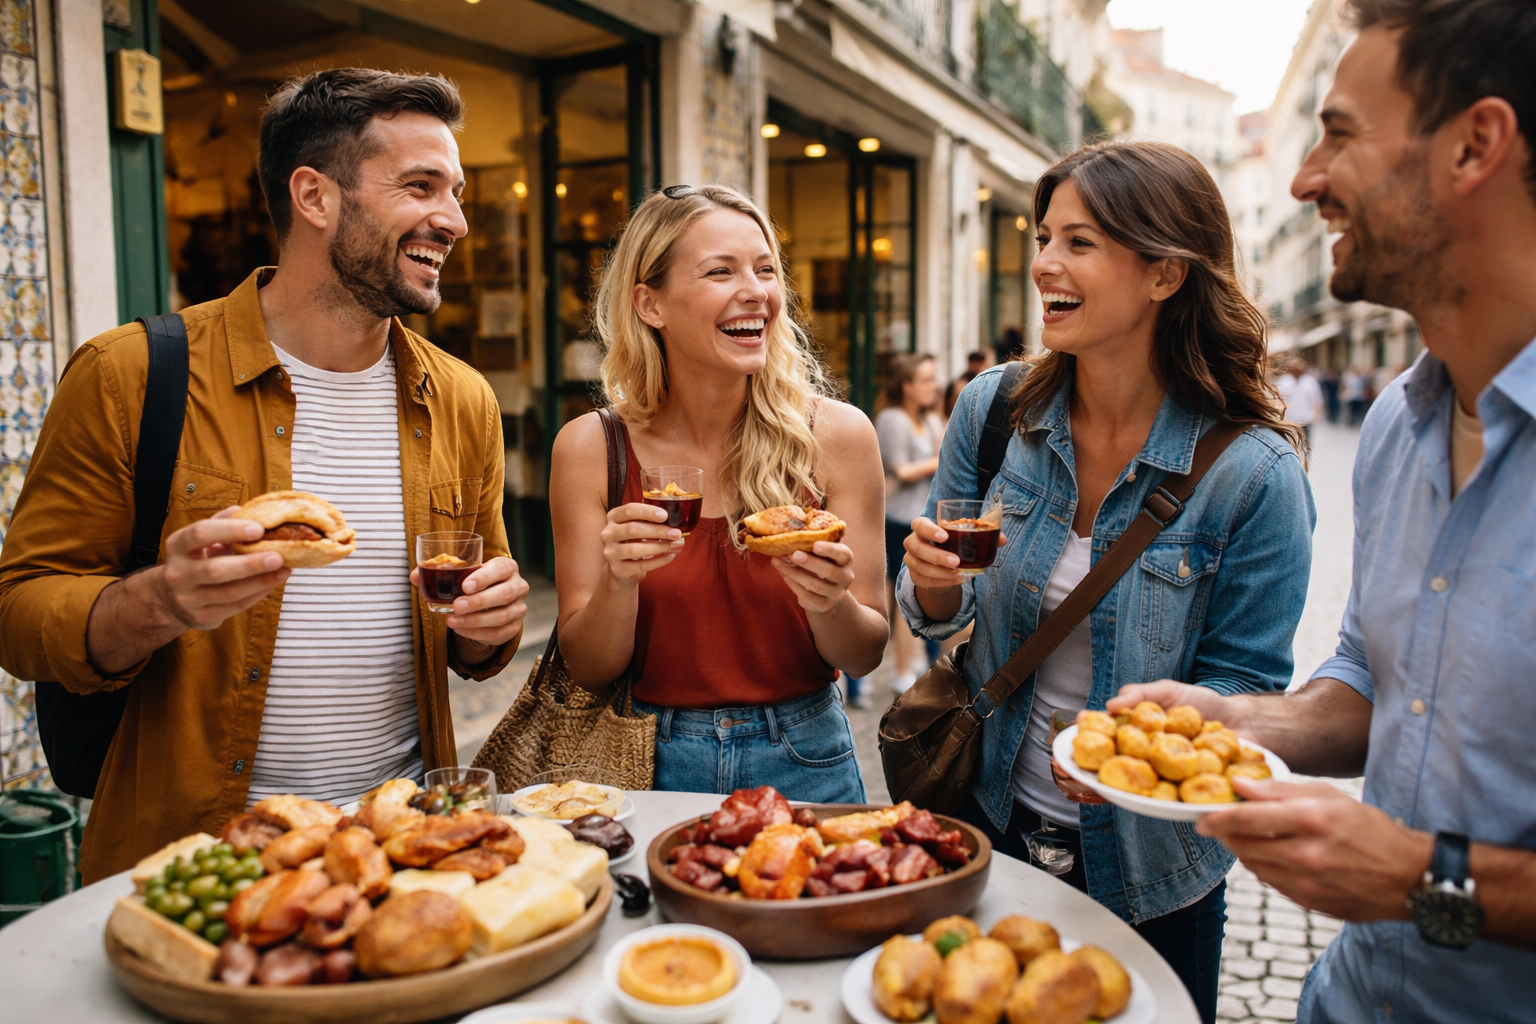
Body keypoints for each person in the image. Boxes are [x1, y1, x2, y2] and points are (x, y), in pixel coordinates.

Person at [1112, 3, 1536, 1020]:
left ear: (1474, 145)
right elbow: (1376, 681)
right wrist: (1241, 720)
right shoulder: (1399, 422)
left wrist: (1417, 877)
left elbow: (1417, 868)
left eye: (1339, 132)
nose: (1303, 177)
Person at [0, 69, 529, 883]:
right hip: (197, 860)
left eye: (455, 192)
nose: (455, 220)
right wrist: (157, 601)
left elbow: (473, 633)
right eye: (421, 186)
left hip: (401, 850)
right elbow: (19, 611)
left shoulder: (461, 399)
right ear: (314, 196)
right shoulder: (130, 372)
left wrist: (488, 632)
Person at [896, 140, 1314, 1023]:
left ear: (1164, 273)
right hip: (991, 822)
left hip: (1151, 869)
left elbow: (1245, 683)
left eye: (1079, 243)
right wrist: (931, 582)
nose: (1044, 261)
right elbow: (942, 621)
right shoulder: (997, 410)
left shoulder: (1253, 473)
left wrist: (1132, 758)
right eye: (1044, 237)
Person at [548, 183, 888, 803]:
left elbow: (865, 653)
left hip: (806, 756)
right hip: (648, 762)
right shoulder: (589, 448)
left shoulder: (839, 435)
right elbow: (588, 669)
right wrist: (619, 581)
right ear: (650, 304)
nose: (756, 291)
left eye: (765, 269)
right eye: (720, 271)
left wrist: (829, 602)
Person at [875, 353, 946, 697]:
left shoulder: (931, 420)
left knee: (916, 597)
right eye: (925, 380)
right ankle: (900, 671)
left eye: (933, 380)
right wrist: (938, 460)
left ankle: (912, 662)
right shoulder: (891, 420)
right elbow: (901, 470)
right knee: (897, 598)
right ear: (906, 386)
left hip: (924, 518)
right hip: (897, 518)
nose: (932, 386)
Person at [1276, 355, 1324, 445]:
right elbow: (1279, 401)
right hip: (1290, 421)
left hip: (1305, 419)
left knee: (1306, 444)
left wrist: (1317, 414)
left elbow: (1316, 399)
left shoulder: (1310, 381)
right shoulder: (1284, 381)